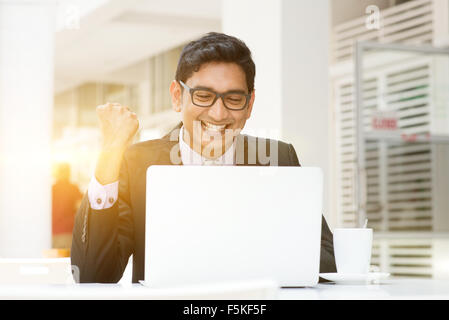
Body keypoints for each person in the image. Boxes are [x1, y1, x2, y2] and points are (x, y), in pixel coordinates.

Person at [71, 32, 336, 283]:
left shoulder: (278, 158)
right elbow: (93, 274)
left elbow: (328, 263)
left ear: (249, 104)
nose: (219, 114)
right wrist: (110, 154)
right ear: (178, 97)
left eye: (233, 98)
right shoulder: (138, 163)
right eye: (204, 96)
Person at [52, 163, 82, 249]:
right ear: (69, 173)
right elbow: (80, 208)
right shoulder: (73, 188)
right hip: (67, 233)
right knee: (66, 261)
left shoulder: (51, 189)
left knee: (53, 261)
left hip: (52, 233)